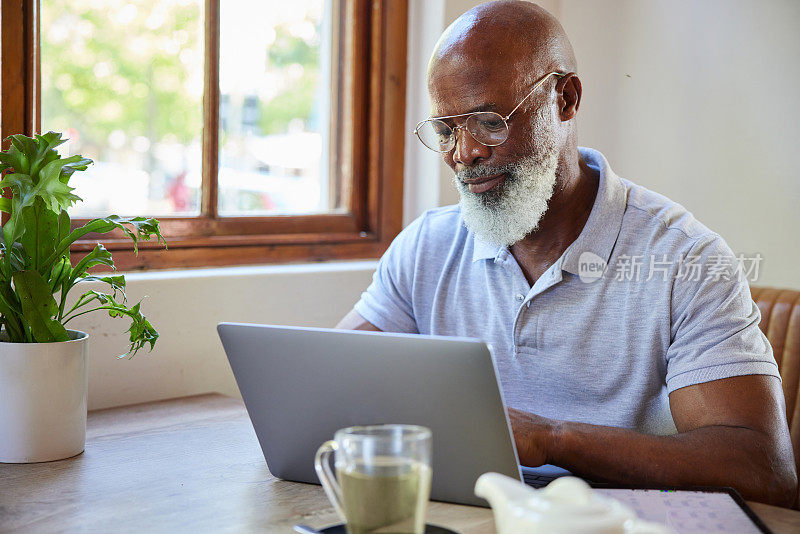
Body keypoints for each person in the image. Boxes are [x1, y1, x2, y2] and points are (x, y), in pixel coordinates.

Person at [336, 0, 797, 506]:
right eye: (446, 130)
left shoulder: (686, 259)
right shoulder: (427, 245)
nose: (463, 153)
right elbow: (326, 385)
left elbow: (762, 468)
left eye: (489, 121)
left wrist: (550, 439)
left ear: (566, 99)